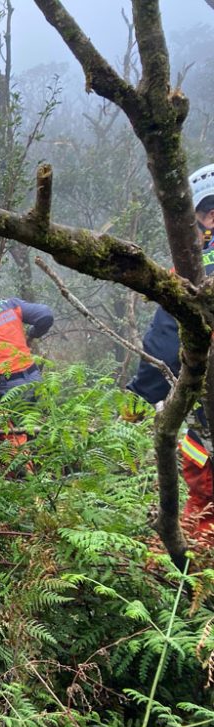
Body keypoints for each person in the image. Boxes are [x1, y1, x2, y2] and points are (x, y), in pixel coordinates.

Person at [127, 163, 214, 534]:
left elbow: (165, 341)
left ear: (208, 215)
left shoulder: (197, 268)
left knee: (203, 507)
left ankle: (190, 575)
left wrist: (144, 394)